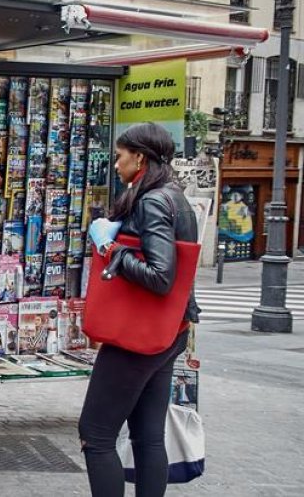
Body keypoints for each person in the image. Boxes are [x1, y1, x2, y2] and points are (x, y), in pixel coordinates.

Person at [79, 122, 199, 497]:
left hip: (138, 337)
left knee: (95, 434)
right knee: (147, 436)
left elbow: (161, 275)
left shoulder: (151, 201)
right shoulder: (175, 197)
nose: (115, 164)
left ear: (140, 157)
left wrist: (110, 249)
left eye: (120, 156)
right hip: (168, 332)